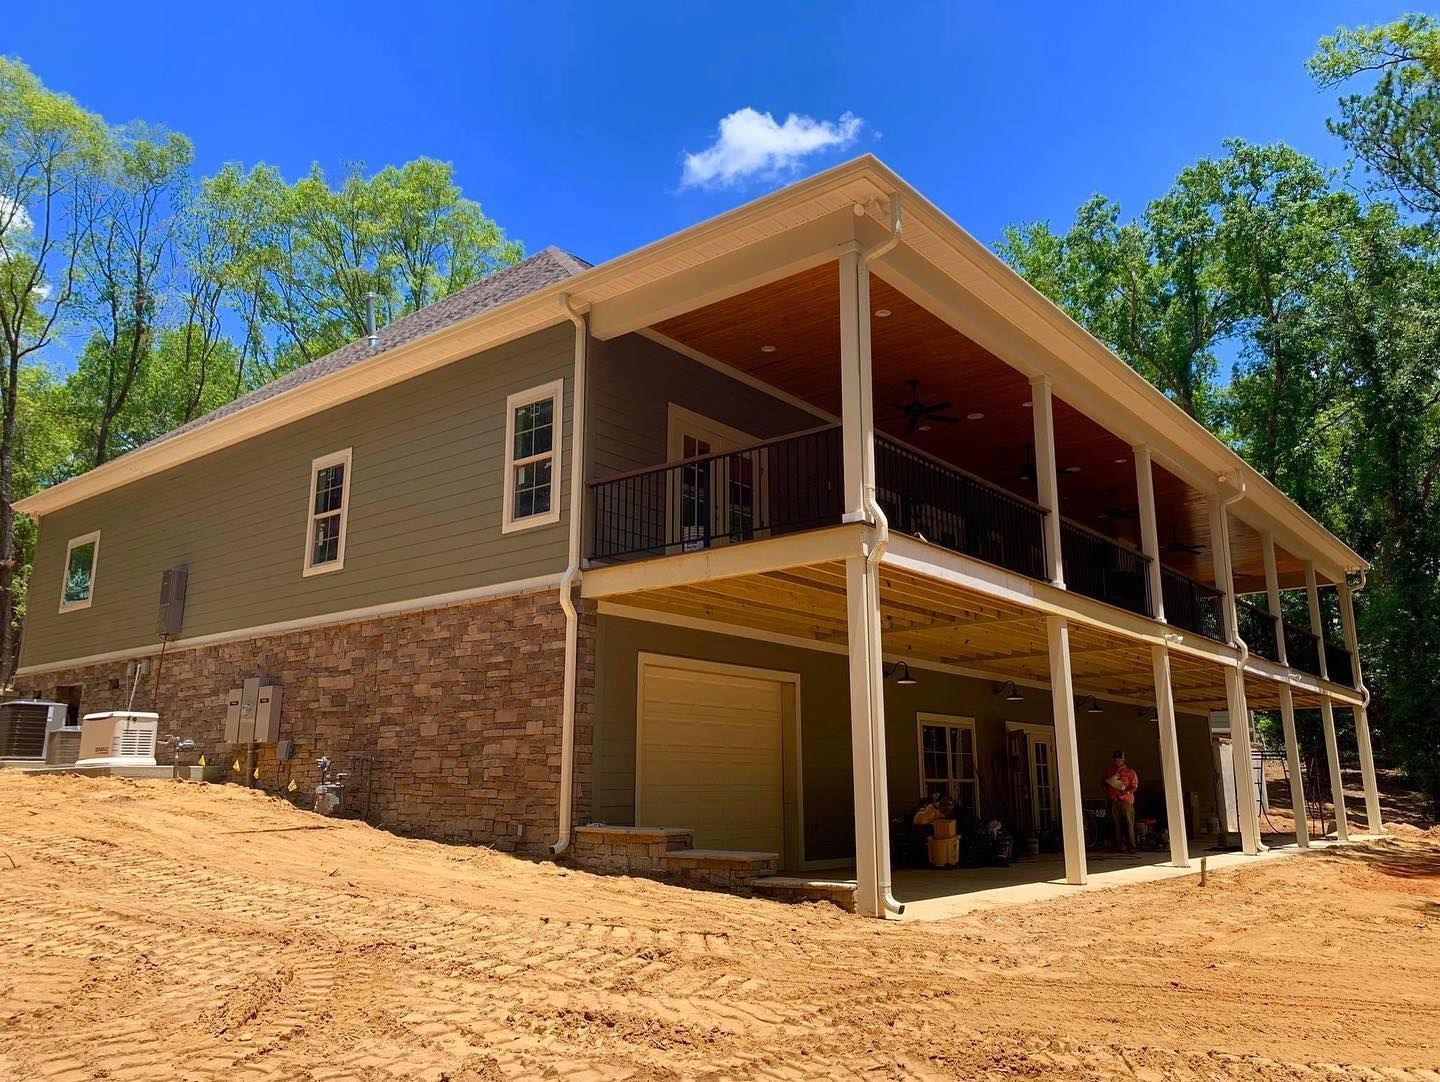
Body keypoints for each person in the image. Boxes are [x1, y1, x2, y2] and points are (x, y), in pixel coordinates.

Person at [1103, 750, 1139, 852]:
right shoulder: (1109, 771)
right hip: (1113, 800)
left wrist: (1126, 792)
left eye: (1119, 759)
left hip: (1126, 801)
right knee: (1115, 824)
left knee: (1128, 823)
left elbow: (1134, 786)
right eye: (1115, 759)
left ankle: (1131, 846)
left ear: (1123, 759)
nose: (1116, 761)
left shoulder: (1130, 772)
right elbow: (1102, 783)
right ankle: (1117, 846)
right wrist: (1110, 782)